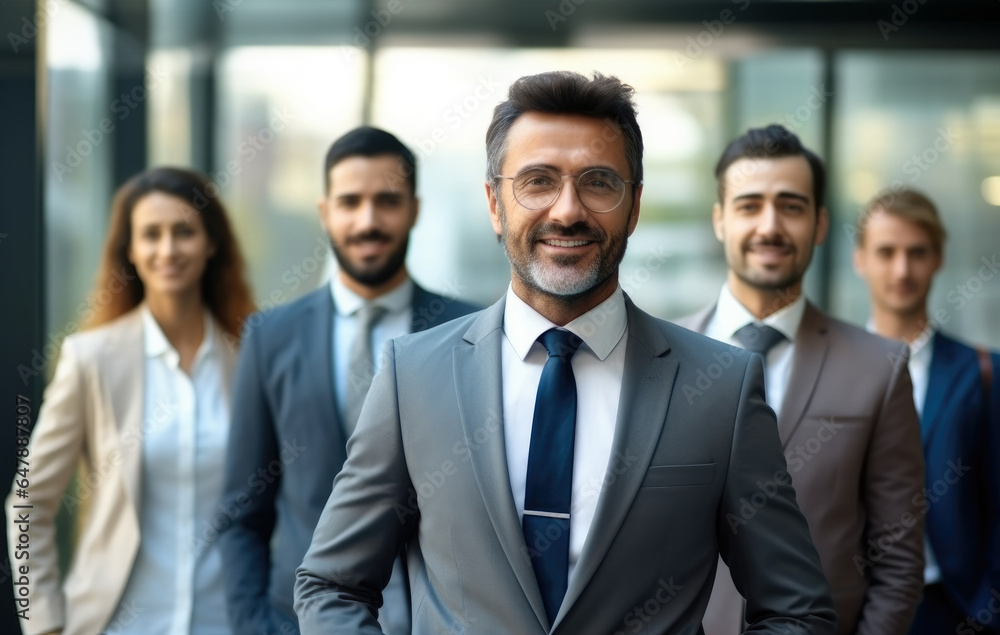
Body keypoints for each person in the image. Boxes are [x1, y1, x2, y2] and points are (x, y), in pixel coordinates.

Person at [293, 71, 836, 634]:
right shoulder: (413, 377)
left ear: (635, 204)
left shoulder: (720, 387)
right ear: (494, 203)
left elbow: (797, 610)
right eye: (537, 181)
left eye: (599, 182)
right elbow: (332, 584)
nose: (567, 210)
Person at [217, 126, 479, 635]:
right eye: (350, 201)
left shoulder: (467, 333)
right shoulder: (270, 336)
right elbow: (241, 515)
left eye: (387, 200)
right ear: (325, 212)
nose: (368, 220)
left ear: (415, 209)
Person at [677, 125, 926, 635]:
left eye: (791, 206)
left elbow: (899, 561)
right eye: (749, 205)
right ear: (720, 220)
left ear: (819, 223)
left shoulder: (880, 368)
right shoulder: (661, 357)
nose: (770, 226)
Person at [5, 167, 255, 635]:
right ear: (131, 251)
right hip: (115, 624)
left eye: (184, 231)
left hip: (229, 622)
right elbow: (27, 502)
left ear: (212, 242)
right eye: (151, 235)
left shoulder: (250, 357)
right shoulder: (92, 359)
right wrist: (42, 623)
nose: (168, 249)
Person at [852, 188, 1000, 635]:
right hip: (853, 607)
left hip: (952, 608)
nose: (902, 269)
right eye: (886, 252)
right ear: (860, 259)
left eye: (917, 252)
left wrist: (985, 612)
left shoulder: (982, 373)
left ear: (937, 259)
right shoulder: (832, 370)